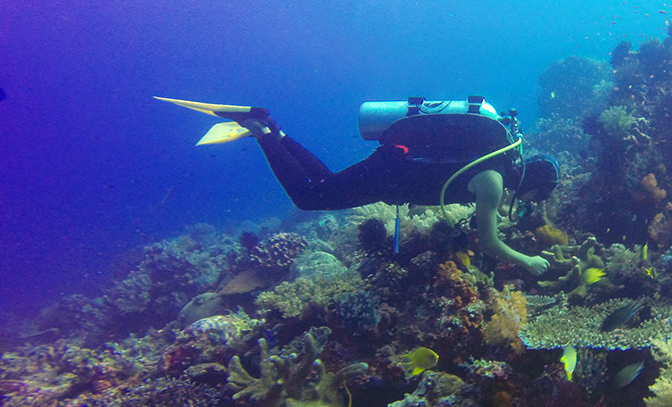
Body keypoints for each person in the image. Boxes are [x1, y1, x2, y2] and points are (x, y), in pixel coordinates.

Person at [158, 96, 558, 275]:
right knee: (309, 198)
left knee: (326, 185)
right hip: (392, 171)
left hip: (395, 165)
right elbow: (488, 241)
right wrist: (529, 262)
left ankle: (275, 131)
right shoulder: (492, 179)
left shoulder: (495, 165)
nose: (527, 205)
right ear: (532, 186)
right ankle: (261, 130)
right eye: (534, 199)